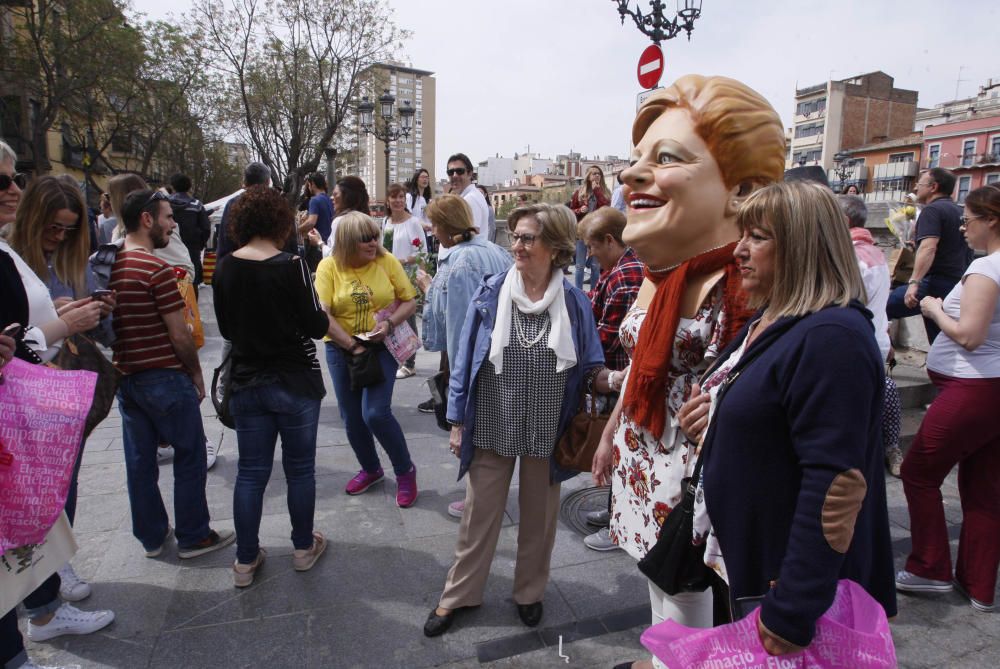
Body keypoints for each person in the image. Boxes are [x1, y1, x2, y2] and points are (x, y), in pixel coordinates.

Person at [589, 75, 786, 669]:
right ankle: (662, 661)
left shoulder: (747, 284)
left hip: (695, 469)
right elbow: (639, 368)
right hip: (643, 454)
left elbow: (770, 388)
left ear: (741, 190)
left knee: (689, 593)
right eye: (635, 159)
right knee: (658, 577)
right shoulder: (659, 273)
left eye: (666, 158)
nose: (631, 175)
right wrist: (608, 435)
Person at [679, 181, 896, 656]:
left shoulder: (832, 336)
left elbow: (834, 481)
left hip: (783, 578)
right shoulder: (773, 318)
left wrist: (793, 608)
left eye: (757, 237)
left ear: (802, 245)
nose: (738, 251)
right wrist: (714, 418)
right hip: (747, 552)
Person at [423, 203, 604, 637]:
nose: (516, 246)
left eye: (527, 238)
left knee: (540, 519)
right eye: (515, 237)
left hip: (548, 424)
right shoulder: (492, 292)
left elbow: (592, 364)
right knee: (478, 516)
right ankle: (458, 596)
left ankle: (529, 593)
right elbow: (464, 360)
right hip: (490, 419)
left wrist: (615, 378)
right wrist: (456, 420)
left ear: (556, 248)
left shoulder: (575, 302)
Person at [0, 139, 115, 665]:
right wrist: (61, 324)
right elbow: (18, 340)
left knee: (48, 499)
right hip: (24, 403)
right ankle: (41, 608)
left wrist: (62, 310)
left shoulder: (20, 258)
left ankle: (43, 601)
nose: (12, 186)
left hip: (39, 399)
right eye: (55, 226)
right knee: (40, 502)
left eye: (69, 229)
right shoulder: (7, 256)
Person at [212, 185, 330, 588]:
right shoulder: (292, 265)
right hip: (293, 381)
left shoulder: (225, 266)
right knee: (299, 472)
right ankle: (301, 548)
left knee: (250, 474)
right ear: (280, 221)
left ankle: (245, 560)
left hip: (247, 382)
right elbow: (316, 326)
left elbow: (227, 329)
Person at [110, 188, 235, 559]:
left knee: (140, 462)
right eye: (167, 217)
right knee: (190, 454)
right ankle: (194, 535)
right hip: (164, 376)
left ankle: (151, 537)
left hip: (126, 378)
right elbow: (179, 333)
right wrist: (196, 374)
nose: (173, 223)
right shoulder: (156, 269)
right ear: (146, 219)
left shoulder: (108, 263)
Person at [895, 185, 1000, 613]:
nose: (964, 228)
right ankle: (978, 583)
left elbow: (969, 335)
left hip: (972, 388)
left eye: (968, 220)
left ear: (990, 220)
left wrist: (936, 310)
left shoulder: (986, 270)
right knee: (983, 487)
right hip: (989, 389)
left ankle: (930, 567)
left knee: (919, 472)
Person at [413, 194, 513, 515]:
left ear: (443, 226)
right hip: (502, 355)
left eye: (433, 223)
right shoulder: (495, 250)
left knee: (475, 433)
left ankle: (478, 502)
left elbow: (461, 331)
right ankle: (483, 498)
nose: (431, 229)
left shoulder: (461, 261)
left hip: (477, 363)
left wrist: (458, 389)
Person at [314, 211, 419, 507]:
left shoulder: (386, 262)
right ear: (348, 241)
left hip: (381, 346)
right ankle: (371, 469)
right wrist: (351, 345)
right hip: (340, 348)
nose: (374, 242)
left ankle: (405, 471)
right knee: (351, 418)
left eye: (375, 235)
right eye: (365, 238)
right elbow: (323, 313)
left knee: (374, 413)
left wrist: (388, 325)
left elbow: (410, 301)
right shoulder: (328, 267)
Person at [576, 206, 643, 552]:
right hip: (619, 375)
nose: (589, 254)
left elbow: (605, 337)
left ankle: (619, 523)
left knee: (617, 450)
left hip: (621, 376)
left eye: (592, 246)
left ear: (609, 240)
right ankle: (614, 510)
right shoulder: (619, 269)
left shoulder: (623, 277)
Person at [837, 194, 904, 477]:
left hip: (856, 346)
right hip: (875, 340)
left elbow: (842, 305)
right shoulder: (874, 252)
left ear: (844, 221)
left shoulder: (852, 257)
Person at [886, 167, 972, 342]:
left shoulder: (932, 211)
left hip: (933, 282)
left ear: (933, 187)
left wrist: (914, 282)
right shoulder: (957, 211)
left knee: (879, 308)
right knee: (940, 338)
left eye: (920, 183)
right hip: (955, 282)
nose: (916, 188)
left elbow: (929, 247)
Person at [381, 182, 427, 379]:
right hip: (389, 277)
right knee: (391, 316)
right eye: (394, 197)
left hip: (407, 276)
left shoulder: (413, 223)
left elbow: (422, 253)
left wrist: (402, 261)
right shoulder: (386, 222)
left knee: (407, 318)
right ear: (388, 201)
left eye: (401, 197)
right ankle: (397, 356)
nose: (398, 200)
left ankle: (410, 362)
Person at [569, 165, 611, 291]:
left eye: (598, 173)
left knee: (595, 266)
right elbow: (570, 211)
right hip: (582, 231)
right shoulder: (580, 192)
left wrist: (597, 191)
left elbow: (606, 208)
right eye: (593, 173)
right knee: (579, 265)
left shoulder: (605, 192)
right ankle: (578, 292)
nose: (597, 175)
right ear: (588, 177)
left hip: (598, 232)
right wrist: (579, 210)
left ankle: (594, 293)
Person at [168, 173, 212, 289]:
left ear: (172, 186)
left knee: (170, 284)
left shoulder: (164, 204)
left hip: (169, 249)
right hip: (192, 249)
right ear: (189, 187)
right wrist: (200, 244)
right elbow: (206, 227)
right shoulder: (196, 205)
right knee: (191, 283)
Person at [443, 153, 489, 259]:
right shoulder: (469, 196)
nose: (454, 175)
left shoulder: (470, 199)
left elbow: (471, 236)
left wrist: (446, 241)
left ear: (469, 174)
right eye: (450, 172)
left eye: (459, 171)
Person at [300, 172, 334, 244]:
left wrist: (299, 229)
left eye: (309, 185)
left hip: (318, 242)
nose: (309, 188)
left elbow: (311, 222)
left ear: (313, 184)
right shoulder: (330, 199)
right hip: (330, 241)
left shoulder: (314, 200)